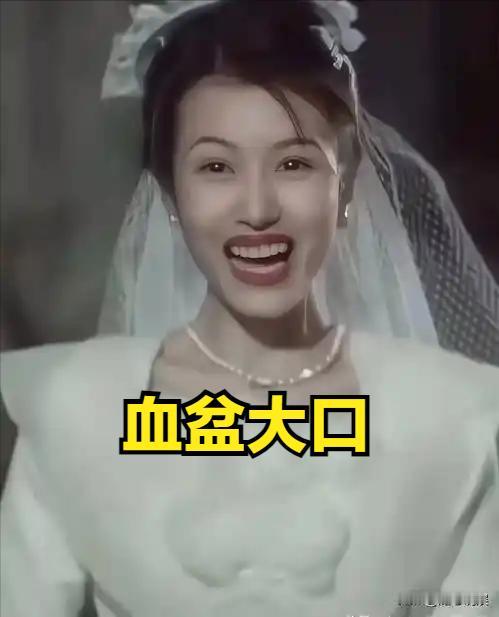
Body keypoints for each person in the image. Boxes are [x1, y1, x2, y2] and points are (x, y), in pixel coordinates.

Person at [1, 1, 498, 616]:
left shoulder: (455, 419)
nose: (258, 209)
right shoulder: (77, 411)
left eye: (293, 164)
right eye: (216, 167)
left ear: (344, 184)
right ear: (170, 193)